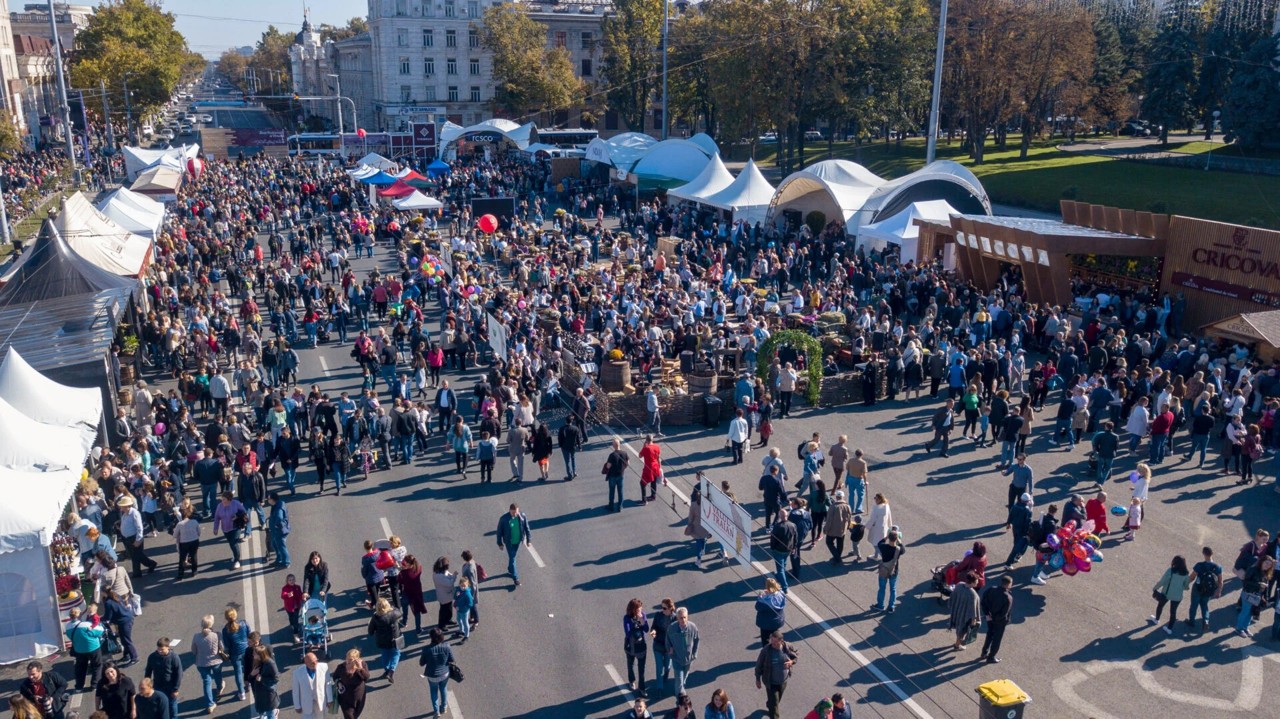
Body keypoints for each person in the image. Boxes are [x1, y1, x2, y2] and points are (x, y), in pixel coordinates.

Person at [753, 630, 797, 719]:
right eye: (771, 640)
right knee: (775, 706)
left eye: (775, 641)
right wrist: (758, 679)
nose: (772, 643)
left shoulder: (787, 646)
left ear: (781, 641)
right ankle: (773, 711)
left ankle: (770, 704)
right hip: (771, 683)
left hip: (783, 681)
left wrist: (791, 662)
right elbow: (759, 665)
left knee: (776, 701)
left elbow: (795, 655)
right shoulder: (766, 650)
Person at [66, 606, 107, 691]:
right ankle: (94, 685)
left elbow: (70, 637)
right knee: (97, 665)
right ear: (79, 615)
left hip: (79, 650)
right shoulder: (86, 624)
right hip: (93, 647)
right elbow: (100, 630)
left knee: (80, 667)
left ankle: (79, 686)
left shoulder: (68, 626)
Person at [1150, 555, 1192, 634]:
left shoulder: (1171, 571)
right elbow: (1186, 585)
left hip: (1166, 593)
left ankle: (1157, 619)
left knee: (1160, 606)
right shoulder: (1186, 573)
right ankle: (1169, 629)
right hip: (1178, 596)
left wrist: (1155, 588)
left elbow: (1162, 581)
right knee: (1173, 612)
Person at [192, 614, 225, 713]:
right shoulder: (216, 635)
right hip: (215, 661)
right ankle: (219, 688)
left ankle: (210, 704)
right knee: (217, 675)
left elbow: (194, 651)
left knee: (207, 682)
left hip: (202, 663)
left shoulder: (196, 636)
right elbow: (222, 647)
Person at [418, 628, 455, 717]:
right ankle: (444, 707)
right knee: (443, 689)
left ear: (431, 637)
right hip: (444, 673)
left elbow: (421, 663)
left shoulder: (426, 649)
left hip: (432, 675)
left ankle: (436, 711)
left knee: (433, 692)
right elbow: (452, 659)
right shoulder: (447, 646)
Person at [1235, 557, 1275, 637]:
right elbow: (1245, 582)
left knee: (1251, 613)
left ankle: (1245, 627)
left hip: (1257, 597)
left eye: (1270, 565)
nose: (1268, 566)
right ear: (1262, 561)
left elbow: (1266, 587)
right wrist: (1259, 584)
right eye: (1266, 563)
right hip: (1248, 594)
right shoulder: (1253, 569)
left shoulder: (1266, 573)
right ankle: (1239, 629)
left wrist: (1266, 598)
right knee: (1245, 612)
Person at [664, 607, 699, 698]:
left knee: (685, 676)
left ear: (687, 617)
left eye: (684, 617)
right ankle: (679, 699)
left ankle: (680, 688)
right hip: (677, 659)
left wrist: (694, 654)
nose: (683, 620)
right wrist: (670, 650)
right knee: (679, 680)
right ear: (677, 618)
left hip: (688, 659)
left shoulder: (692, 627)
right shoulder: (672, 628)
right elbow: (667, 642)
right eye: (681, 618)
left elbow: (696, 641)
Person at [143, 637, 183, 719]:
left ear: (168, 647)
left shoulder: (174, 657)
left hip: (170, 687)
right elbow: (148, 671)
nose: (159, 651)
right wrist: (147, 685)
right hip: (157, 686)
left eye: (162, 649)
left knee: (172, 706)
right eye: (158, 649)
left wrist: (175, 689)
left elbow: (179, 674)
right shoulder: (152, 657)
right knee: (158, 706)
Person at [496, 503, 533, 587]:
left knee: (512, 557)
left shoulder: (522, 516)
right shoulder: (504, 519)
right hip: (509, 542)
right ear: (509, 511)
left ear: (518, 510)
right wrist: (499, 543)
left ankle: (510, 568)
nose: (514, 514)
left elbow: (527, 528)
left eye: (516, 512)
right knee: (512, 558)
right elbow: (499, 532)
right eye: (513, 512)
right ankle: (515, 578)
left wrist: (528, 540)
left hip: (518, 541)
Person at [1186, 546, 1222, 632]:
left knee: (1194, 605)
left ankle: (1191, 621)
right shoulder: (1218, 567)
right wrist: (1218, 591)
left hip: (1197, 588)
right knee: (1204, 605)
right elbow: (1220, 581)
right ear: (1212, 554)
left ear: (1203, 554)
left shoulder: (1199, 565)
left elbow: (1192, 577)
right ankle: (1206, 621)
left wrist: (1185, 584)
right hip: (1209, 590)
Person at [979, 575, 1014, 663]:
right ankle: (991, 657)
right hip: (1000, 622)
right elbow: (1004, 613)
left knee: (989, 635)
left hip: (989, 618)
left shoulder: (991, 589)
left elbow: (983, 602)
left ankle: (984, 653)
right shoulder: (1008, 598)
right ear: (1008, 584)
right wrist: (995, 618)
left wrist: (987, 614)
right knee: (997, 639)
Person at [367, 598, 403, 682]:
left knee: (385, 655)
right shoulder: (393, 614)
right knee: (396, 654)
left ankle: (387, 670)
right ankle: (391, 671)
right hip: (394, 639)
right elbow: (399, 612)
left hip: (382, 641)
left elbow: (370, 631)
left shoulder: (375, 618)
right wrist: (393, 608)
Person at [221, 608, 252, 702]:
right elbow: (249, 635)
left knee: (238, 673)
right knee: (248, 669)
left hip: (235, 654)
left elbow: (227, 645)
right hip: (246, 650)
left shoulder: (225, 630)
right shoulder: (243, 623)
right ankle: (249, 684)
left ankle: (241, 693)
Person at [872, 529, 905, 613]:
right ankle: (891, 607)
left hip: (884, 570)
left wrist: (885, 537)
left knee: (882, 588)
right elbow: (903, 549)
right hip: (894, 571)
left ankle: (880, 605)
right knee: (893, 589)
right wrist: (899, 541)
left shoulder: (883, 547)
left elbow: (879, 543)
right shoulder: (898, 549)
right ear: (896, 539)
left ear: (889, 538)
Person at [331, 648, 371, 719]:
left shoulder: (362, 665)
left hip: (359, 698)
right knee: (349, 716)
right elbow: (335, 677)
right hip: (345, 699)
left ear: (356, 660)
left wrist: (360, 668)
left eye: (350, 659)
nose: (347, 661)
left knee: (355, 715)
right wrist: (339, 683)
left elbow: (366, 678)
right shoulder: (341, 667)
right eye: (347, 658)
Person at [289, 652, 331, 719]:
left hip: (320, 701)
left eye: (316, 661)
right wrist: (297, 706)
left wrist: (330, 699)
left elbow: (328, 684)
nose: (315, 663)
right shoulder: (297, 673)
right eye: (312, 662)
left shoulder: (324, 667)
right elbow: (295, 691)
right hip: (306, 704)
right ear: (306, 663)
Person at [212, 491, 247, 569]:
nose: (222, 501)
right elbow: (217, 517)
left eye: (224, 499)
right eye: (222, 499)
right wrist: (215, 528)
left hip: (235, 527)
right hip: (225, 529)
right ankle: (235, 555)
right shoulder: (219, 506)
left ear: (229, 499)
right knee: (231, 544)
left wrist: (237, 516)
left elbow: (244, 512)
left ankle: (237, 561)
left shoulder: (236, 503)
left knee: (233, 543)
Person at [623, 598, 650, 697]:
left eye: (640, 609)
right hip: (630, 647)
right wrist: (636, 630)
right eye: (638, 610)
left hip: (641, 647)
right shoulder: (627, 618)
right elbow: (628, 632)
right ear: (633, 610)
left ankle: (642, 688)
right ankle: (631, 680)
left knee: (641, 669)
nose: (640, 611)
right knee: (630, 665)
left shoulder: (643, 615)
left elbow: (646, 629)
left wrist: (642, 620)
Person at [947, 571, 981, 650]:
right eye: (976, 581)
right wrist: (974, 621)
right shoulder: (973, 595)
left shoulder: (959, 585)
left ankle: (957, 643)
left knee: (959, 629)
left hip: (956, 611)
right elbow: (974, 610)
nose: (977, 583)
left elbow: (952, 596)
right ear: (972, 582)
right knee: (962, 631)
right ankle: (957, 645)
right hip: (965, 616)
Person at [685, 483, 716, 568]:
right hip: (706, 526)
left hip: (697, 526)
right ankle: (703, 549)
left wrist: (689, 524)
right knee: (704, 538)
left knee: (698, 541)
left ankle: (699, 559)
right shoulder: (707, 505)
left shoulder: (694, 505)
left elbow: (691, 516)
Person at [246, 644, 280, 719]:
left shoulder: (270, 663)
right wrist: (252, 674)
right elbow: (250, 678)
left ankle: (274, 713)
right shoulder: (257, 662)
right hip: (259, 694)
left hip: (268, 695)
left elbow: (276, 678)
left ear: (260, 655)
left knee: (270, 714)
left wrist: (262, 679)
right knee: (262, 712)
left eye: (254, 653)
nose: (253, 654)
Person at [651, 599, 676, 697]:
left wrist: (673, 647)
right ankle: (659, 688)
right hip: (658, 645)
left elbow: (676, 634)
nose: (662, 610)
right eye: (662, 607)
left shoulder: (674, 619)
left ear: (670, 609)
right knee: (659, 667)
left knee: (667, 665)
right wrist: (653, 631)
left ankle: (666, 674)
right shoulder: (658, 615)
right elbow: (654, 627)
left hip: (669, 647)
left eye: (664, 608)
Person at [768, 514, 798, 594]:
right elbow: (795, 537)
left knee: (780, 568)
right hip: (788, 549)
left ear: (780, 517)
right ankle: (779, 576)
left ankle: (784, 587)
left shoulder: (778, 526)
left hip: (778, 550)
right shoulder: (793, 525)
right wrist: (794, 547)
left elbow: (773, 539)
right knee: (784, 563)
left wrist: (772, 547)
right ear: (787, 516)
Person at [755, 578, 787, 647]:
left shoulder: (765, 601)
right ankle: (778, 648)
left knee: (765, 640)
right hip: (777, 621)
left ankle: (768, 654)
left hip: (766, 624)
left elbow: (757, 607)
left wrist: (760, 597)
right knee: (776, 637)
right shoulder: (781, 593)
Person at [824, 490, 853, 563]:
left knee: (829, 542)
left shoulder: (833, 506)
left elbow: (829, 520)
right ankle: (838, 556)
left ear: (836, 497)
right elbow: (849, 517)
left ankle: (837, 557)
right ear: (843, 497)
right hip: (843, 528)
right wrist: (848, 526)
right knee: (840, 543)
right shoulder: (847, 506)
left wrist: (826, 529)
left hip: (832, 529)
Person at [604, 437, 631, 512]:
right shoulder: (624, 453)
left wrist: (606, 465)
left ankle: (611, 506)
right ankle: (620, 506)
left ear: (613, 446)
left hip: (612, 476)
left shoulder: (612, 455)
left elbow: (608, 466)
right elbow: (628, 463)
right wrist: (623, 468)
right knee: (620, 491)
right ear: (619, 445)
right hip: (620, 475)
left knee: (612, 491)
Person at [266, 493, 291, 568]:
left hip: (279, 531)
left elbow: (279, 519)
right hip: (278, 530)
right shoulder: (279, 504)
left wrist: (277, 526)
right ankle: (279, 559)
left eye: (269, 499)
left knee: (281, 546)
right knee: (275, 544)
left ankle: (286, 562)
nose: (268, 500)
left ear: (272, 500)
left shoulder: (278, 508)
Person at [431, 557, 456, 631]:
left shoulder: (440, 572)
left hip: (447, 595)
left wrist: (451, 575)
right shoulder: (439, 576)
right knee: (443, 611)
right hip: (444, 596)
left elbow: (448, 574)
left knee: (449, 608)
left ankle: (448, 620)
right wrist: (454, 576)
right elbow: (449, 583)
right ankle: (441, 625)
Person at [639, 435, 663, 503]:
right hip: (656, 466)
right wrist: (660, 467)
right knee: (653, 482)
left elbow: (640, 456)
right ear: (652, 439)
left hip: (648, 468)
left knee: (642, 483)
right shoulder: (657, 447)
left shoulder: (646, 448)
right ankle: (653, 495)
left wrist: (643, 446)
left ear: (646, 440)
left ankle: (644, 500)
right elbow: (658, 458)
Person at [453, 577, 476, 643]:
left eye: (464, 586)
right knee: (458, 620)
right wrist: (456, 596)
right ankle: (461, 631)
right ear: (459, 584)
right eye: (461, 586)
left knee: (465, 623)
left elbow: (470, 604)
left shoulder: (467, 594)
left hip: (464, 612)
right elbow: (455, 597)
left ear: (467, 585)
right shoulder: (459, 590)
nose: (462, 587)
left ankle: (466, 636)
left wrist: (462, 608)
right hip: (458, 610)